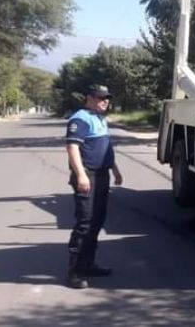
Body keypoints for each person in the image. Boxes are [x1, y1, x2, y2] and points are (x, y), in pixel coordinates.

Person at [64, 84, 123, 289]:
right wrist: (81, 175)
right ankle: (74, 272)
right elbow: (72, 148)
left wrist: (115, 170)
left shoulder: (100, 118)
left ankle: (88, 264)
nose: (105, 101)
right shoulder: (80, 118)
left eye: (107, 98)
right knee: (85, 224)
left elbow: (106, 148)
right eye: (100, 98)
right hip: (87, 175)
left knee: (97, 222)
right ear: (89, 98)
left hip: (102, 175)